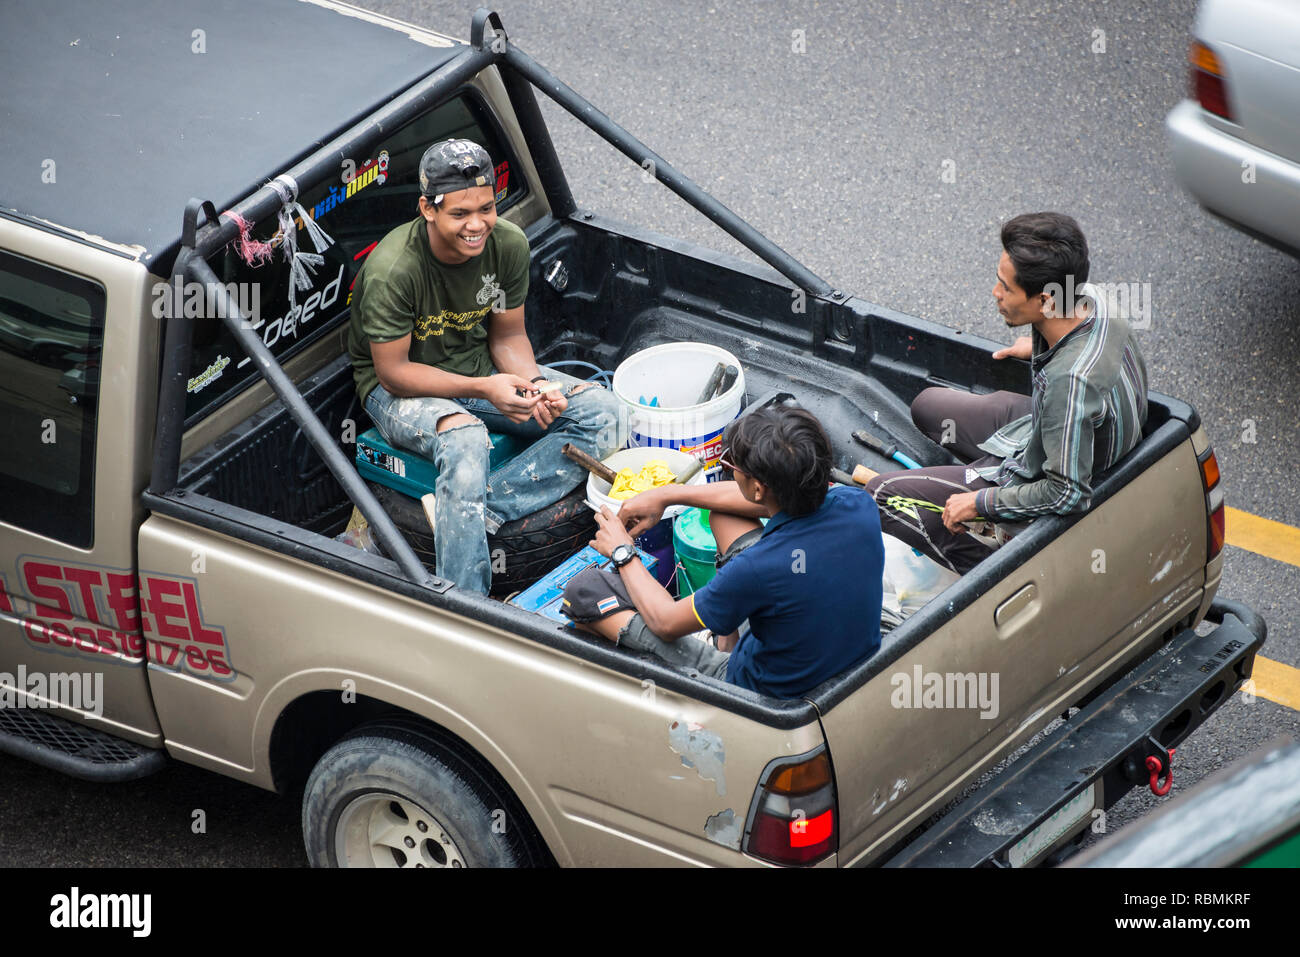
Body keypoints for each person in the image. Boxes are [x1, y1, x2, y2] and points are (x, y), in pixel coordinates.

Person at [348, 139, 622, 594]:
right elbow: (392, 372)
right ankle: (466, 604)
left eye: (486, 209)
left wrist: (533, 386)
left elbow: (508, 336)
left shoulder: (506, 244)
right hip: (399, 391)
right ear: (427, 209)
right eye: (460, 214)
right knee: (465, 441)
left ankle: (472, 510)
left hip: (478, 373)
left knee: (606, 414)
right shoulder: (394, 270)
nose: (476, 225)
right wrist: (485, 388)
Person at [864, 211, 1149, 574]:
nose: (995, 293)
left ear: (1046, 300)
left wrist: (981, 503)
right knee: (927, 406)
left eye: (1006, 287)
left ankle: (990, 573)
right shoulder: (1089, 299)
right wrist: (1039, 345)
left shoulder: (1070, 383)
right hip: (1049, 430)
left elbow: (1068, 493)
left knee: (880, 495)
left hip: (1061, 468)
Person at [561, 406, 884, 699]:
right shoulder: (858, 505)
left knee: (582, 592)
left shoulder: (758, 568)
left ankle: (713, 662)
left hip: (766, 691)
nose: (730, 471)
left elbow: (665, 622)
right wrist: (667, 496)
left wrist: (622, 550)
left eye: (732, 466)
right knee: (724, 516)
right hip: (843, 657)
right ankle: (725, 640)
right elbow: (745, 501)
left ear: (758, 488)